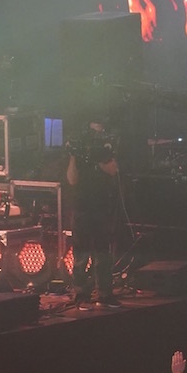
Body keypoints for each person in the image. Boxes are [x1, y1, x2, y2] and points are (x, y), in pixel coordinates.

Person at [65, 124, 122, 309]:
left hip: (102, 207)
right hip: (81, 207)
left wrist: (98, 157)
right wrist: (74, 156)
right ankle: (81, 294)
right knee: (81, 254)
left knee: (102, 253)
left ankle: (104, 294)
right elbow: (72, 179)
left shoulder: (105, 149)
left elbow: (113, 170)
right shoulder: (79, 152)